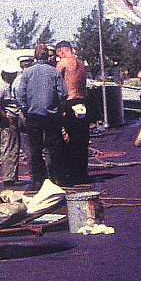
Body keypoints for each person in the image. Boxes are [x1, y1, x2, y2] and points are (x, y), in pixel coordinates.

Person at [16, 44, 67, 191]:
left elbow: (20, 95)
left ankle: (38, 180)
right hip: (52, 115)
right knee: (55, 147)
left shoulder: (27, 73)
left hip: (33, 115)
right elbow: (63, 93)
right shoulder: (54, 72)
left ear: (35, 57)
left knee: (35, 148)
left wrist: (26, 108)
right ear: (48, 57)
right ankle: (56, 178)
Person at [55, 40, 90, 185]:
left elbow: (55, 82)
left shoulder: (62, 63)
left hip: (69, 103)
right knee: (82, 140)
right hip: (83, 102)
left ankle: (70, 174)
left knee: (68, 140)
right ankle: (82, 173)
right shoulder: (81, 63)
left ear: (62, 51)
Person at [0, 63, 22, 185]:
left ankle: (12, 176)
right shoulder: (3, 88)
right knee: (9, 148)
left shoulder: (10, 86)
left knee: (13, 148)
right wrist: (4, 116)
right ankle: (9, 178)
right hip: (8, 121)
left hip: (12, 119)